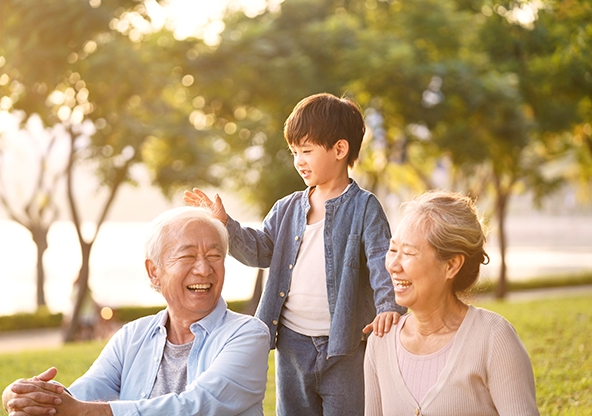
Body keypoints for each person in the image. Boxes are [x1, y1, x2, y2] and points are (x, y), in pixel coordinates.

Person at [184, 92, 406, 416]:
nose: (298, 160)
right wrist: (225, 224)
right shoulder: (286, 208)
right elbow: (260, 251)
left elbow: (380, 259)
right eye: (294, 152)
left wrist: (389, 306)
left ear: (340, 150)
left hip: (343, 347)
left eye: (306, 151)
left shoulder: (364, 207)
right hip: (291, 345)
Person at [2, 207, 270, 416]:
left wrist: (83, 410)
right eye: (188, 256)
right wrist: (26, 396)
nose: (204, 269)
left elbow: (196, 406)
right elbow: (81, 394)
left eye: (214, 256)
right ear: (154, 272)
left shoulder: (248, 334)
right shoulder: (132, 336)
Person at [364, 190, 540, 416]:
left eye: (408, 253)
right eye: (393, 250)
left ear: (451, 265)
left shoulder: (494, 338)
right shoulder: (381, 341)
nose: (393, 265)